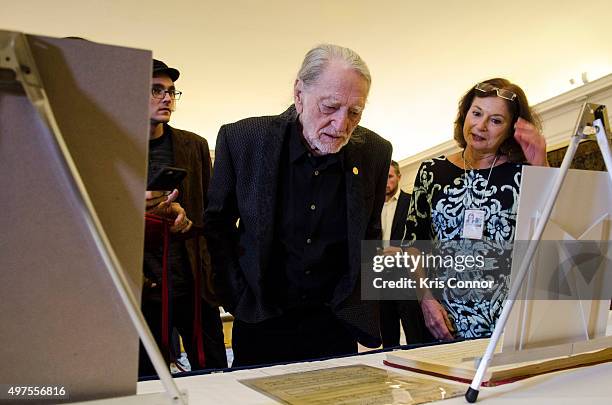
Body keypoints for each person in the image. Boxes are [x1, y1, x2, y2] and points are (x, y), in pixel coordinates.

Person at [204, 44, 392, 366]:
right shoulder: (243, 139)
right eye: (330, 107)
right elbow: (217, 226)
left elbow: (370, 233)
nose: (341, 125)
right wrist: (238, 297)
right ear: (299, 93)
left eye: (355, 112)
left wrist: (358, 304)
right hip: (262, 318)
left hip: (334, 320)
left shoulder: (374, 151)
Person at [403, 78, 548, 341]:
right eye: (477, 113)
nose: (480, 126)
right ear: (464, 114)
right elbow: (413, 244)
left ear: (510, 130)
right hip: (443, 321)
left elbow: (552, 233)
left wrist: (542, 165)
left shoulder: (523, 174)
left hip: (509, 321)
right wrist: (425, 301)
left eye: (495, 120)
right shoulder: (431, 172)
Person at [139, 59, 227, 376]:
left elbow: (213, 213)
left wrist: (189, 224)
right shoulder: (114, 148)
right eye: (156, 90)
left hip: (193, 283)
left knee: (215, 372)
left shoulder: (194, 145)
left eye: (172, 92)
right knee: (149, 380)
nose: (167, 98)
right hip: (142, 288)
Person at [379, 161, 424, 347]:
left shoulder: (413, 202)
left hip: (406, 277)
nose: (385, 182)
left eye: (389, 177)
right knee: (387, 338)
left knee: (415, 334)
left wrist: (402, 252)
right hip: (380, 280)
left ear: (399, 176)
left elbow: (422, 240)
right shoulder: (371, 207)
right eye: (382, 178)